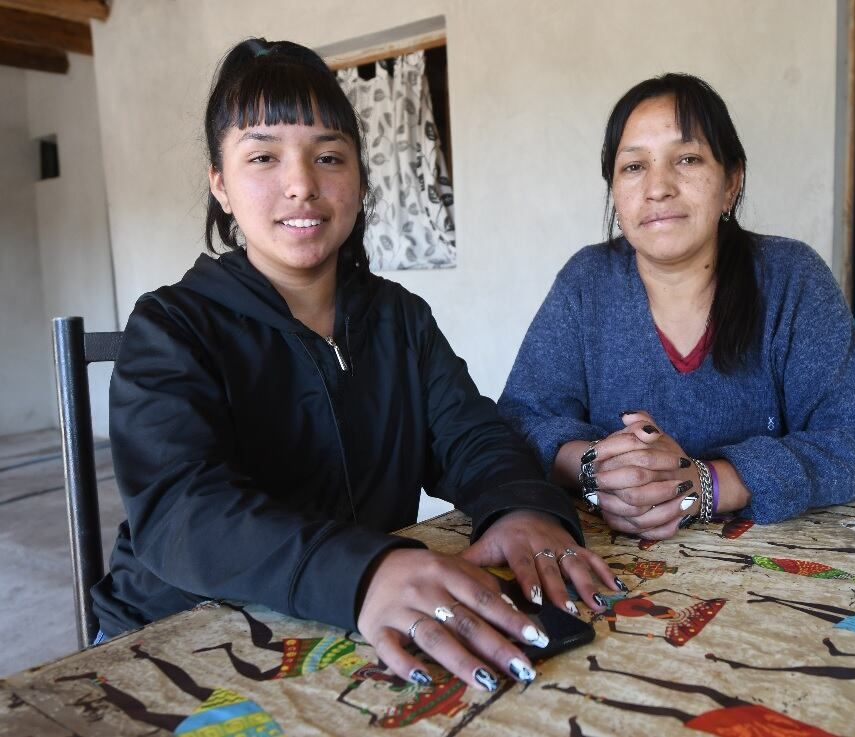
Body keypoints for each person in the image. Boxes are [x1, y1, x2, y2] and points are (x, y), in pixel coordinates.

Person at [91, 38, 617, 693]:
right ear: (220, 186)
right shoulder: (171, 326)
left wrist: (516, 504)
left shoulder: (399, 318)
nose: (301, 185)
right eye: (263, 156)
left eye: (329, 156)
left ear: (360, 179)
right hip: (171, 635)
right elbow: (182, 511)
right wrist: (364, 571)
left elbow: (470, 433)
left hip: (341, 635)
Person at [498, 74, 855, 540]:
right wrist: (598, 468)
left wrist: (706, 484)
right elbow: (518, 421)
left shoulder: (792, 277)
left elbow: (853, 446)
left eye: (687, 159)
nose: (658, 187)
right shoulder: (586, 282)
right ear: (614, 190)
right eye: (634, 166)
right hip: (615, 561)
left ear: (730, 182)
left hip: (768, 564)